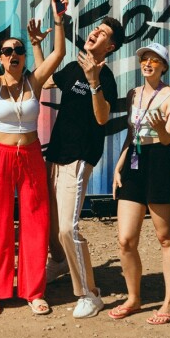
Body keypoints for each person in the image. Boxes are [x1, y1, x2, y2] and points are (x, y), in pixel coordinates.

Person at [0, 0, 68, 316]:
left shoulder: (33, 82)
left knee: (36, 221)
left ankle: (33, 291)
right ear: (0, 58)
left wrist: (59, 19)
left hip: (31, 155)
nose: (13, 55)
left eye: (19, 51)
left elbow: (58, 54)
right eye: (7, 51)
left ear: (24, 57)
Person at [40, 16, 122, 318]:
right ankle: (60, 261)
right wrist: (37, 45)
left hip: (79, 157)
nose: (96, 32)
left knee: (67, 227)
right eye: (96, 28)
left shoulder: (105, 78)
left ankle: (90, 293)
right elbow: (44, 78)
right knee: (50, 221)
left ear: (110, 46)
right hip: (56, 153)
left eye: (104, 33)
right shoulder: (74, 67)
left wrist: (93, 82)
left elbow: (102, 118)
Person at [109, 42, 170, 324]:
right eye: (144, 59)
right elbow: (132, 134)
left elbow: (168, 138)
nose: (148, 63)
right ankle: (134, 298)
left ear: (164, 66)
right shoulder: (134, 94)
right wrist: (119, 166)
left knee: (166, 237)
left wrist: (161, 127)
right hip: (134, 160)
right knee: (125, 239)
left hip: (160, 161)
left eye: (154, 60)